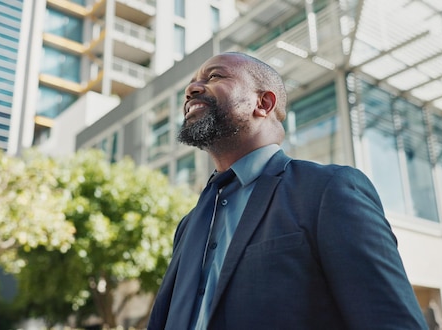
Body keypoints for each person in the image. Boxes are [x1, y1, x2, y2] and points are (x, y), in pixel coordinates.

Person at [148, 52, 427, 329]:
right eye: (193, 82)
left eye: (215, 76)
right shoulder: (189, 224)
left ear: (264, 103)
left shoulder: (329, 190)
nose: (192, 89)